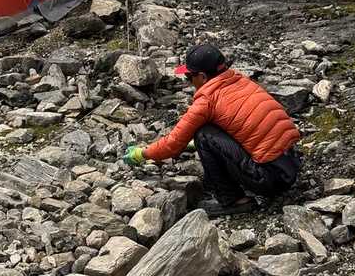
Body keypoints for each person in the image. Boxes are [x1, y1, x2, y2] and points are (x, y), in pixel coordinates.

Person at [124, 43, 301, 217]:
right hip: (291, 164)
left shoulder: (207, 100)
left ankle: (232, 199)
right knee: (212, 127)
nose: (188, 81)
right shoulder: (241, 81)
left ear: (202, 76)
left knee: (203, 135)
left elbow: (172, 144)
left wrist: (142, 154)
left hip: (270, 179)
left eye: (189, 77)